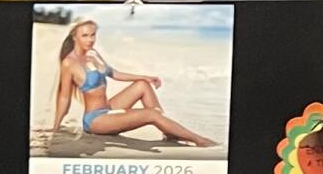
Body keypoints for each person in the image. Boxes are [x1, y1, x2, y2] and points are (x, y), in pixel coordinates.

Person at [46, 17, 215, 147]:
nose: (90, 39)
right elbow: (64, 97)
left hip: (107, 109)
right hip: (96, 121)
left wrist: (145, 77)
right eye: (85, 36)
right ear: (74, 37)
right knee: (151, 114)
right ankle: (200, 140)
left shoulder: (93, 53)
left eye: (93, 35)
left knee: (142, 86)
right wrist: (55, 128)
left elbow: (114, 73)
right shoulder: (69, 63)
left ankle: (169, 132)